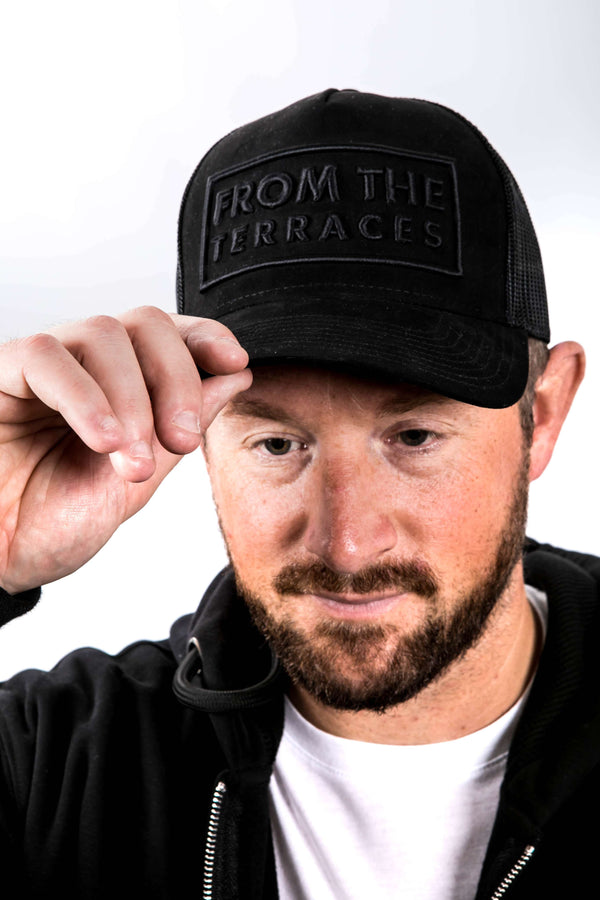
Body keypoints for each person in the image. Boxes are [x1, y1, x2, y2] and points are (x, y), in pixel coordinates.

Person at [0, 88, 595, 900]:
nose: (347, 543)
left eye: (414, 438)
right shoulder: (53, 765)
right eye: (278, 444)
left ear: (546, 413)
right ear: (201, 439)